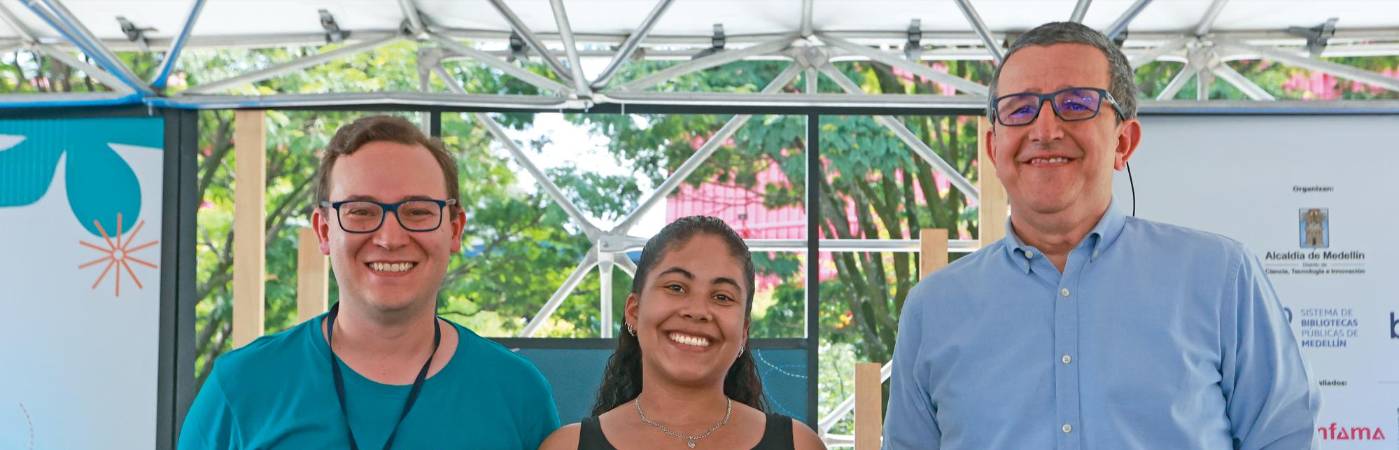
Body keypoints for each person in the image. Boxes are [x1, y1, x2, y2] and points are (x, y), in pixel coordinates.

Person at [883, 22, 1318, 449]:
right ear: (994, 148)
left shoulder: (1221, 277)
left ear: (1124, 142)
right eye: (1019, 108)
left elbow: (1282, 439)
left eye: (1075, 104)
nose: (1046, 129)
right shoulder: (933, 310)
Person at [179, 115, 560, 449]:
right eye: (361, 211)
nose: (390, 238)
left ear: (455, 229)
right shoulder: (240, 387)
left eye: (417, 211)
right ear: (324, 230)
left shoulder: (517, 394)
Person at [538, 216, 825, 450]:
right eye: (676, 287)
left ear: (744, 332)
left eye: (722, 297)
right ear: (634, 311)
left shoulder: (799, 445)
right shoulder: (567, 446)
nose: (697, 310)